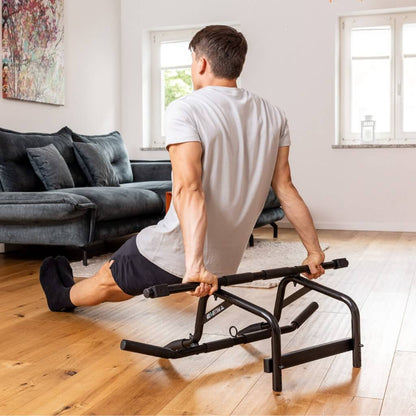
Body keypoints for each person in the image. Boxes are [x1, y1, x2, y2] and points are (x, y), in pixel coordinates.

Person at [39, 25, 325, 312]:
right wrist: (314, 251)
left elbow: (189, 189)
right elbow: (286, 188)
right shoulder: (273, 114)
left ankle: (61, 297)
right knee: (126, 278)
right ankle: (67, 283)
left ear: (201, 63)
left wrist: (195, 265)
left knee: (109, 275)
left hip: (176, 252)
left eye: (191, 62)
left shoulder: (186, 108)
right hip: (225, 261)